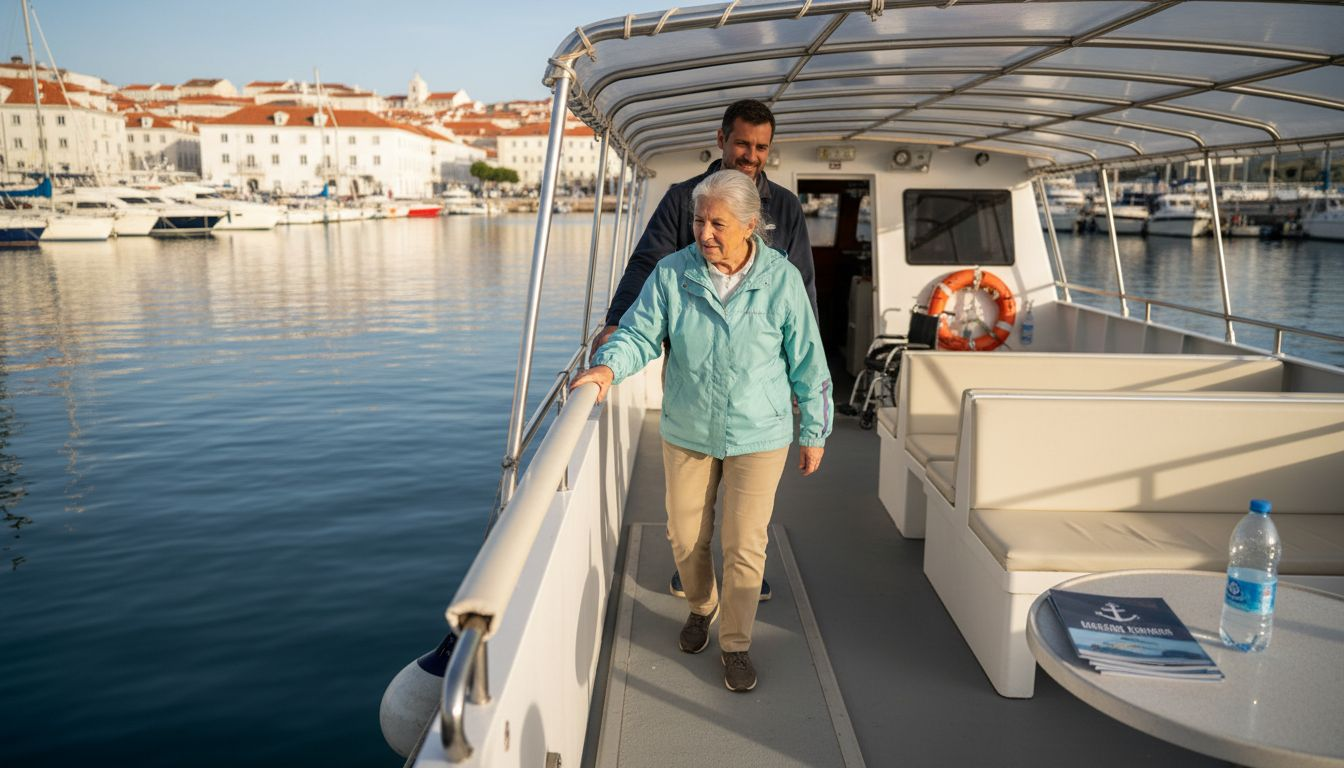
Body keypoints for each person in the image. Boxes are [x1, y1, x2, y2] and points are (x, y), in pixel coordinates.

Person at [571, 170, 832, 693]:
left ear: (750, 226)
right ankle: (701, 605)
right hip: (689, 427)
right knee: (685, 534)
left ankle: (735, 643)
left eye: (717, 223)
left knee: (744, 545)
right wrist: (606, 368)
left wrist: (815, 429)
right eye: (698, 220)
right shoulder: (672, 273)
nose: (704, 233)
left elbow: (808, 358)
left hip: (760, 433)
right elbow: (640, 333)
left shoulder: (780, 279)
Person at [595, 98, 817, 603]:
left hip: (759, 376)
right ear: (721, 140)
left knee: (747, 493)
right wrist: (616, 324)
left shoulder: (784, 206)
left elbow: (802, 288)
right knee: (694, 497)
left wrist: (806, 377)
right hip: (697, 361)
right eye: (743, 143)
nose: (752, 155)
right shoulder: (682, 200)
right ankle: (695, 571)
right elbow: (649, 263)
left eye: (761, 147)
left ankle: (741, 576)